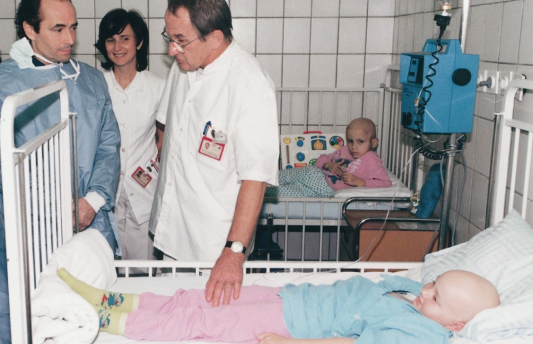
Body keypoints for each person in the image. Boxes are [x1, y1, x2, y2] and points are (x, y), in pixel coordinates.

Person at [0, 0, 121, 341]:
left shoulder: (93, 81)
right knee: (32, 317)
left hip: (89, 218)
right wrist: (54, 209)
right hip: (30, 227)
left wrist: (92, 201)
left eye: (74, 27)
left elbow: (109, 146)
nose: (70, 37)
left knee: (94, 319)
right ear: (29, 29)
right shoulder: (7, 88)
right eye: (57, 29)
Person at [150, 0, 279, 307]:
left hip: (212, 248)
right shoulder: (184, 66)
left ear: (216, 38)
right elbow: (165, 128)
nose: (172, 51)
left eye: (180, 40)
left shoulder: (250, 84)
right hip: (170, 229)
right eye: (169, 38)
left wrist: (233, 252)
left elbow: (255, 178)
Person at [57, 268, 501, 344]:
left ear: (457, 324)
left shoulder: (424, 333)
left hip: (292, 322)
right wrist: (427, 290)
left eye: (436, 298)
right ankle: (114, 297)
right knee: (203, 296)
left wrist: (291, 343)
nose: (425, 291)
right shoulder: (417, 295)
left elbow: (349, 343)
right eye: (432, 284)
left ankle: (102, 320)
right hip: (292, 297)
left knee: (201, 322)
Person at [95, 8, 166, 266]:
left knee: (143, 271)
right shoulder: (97, 86)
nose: (118, 46)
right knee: (105, 270)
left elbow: (164, 141)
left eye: (125, 38)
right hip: (105, 191)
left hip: (144, 191)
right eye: (111, 39)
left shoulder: (158, 87)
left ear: (139, 42)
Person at [266, 118, 392, 198]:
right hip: (312, 172)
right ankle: (252, 181)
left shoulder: (371, 159)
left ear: (374, 143)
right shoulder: (344, 150)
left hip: (322, 189)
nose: (354, 147)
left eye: (360, 142)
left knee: (281, 193)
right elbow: (321, 159)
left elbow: (385, 183)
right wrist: (329, 164)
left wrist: (360, 182)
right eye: (350, 141)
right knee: (279, 175)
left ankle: (253, 193)